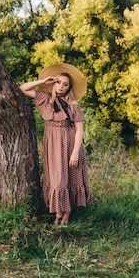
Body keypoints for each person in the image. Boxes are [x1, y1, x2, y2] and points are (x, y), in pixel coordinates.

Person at [19, 63, 92, 226]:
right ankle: (58, 212)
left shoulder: (73, 105)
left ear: (69, 88)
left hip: (69, 143)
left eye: (65, 84)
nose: (61, 86)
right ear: (54, 83)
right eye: (58, 82)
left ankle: (65, 215)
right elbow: (22, 88)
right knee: (56, 179)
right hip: (52, 144)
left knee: (69, 179)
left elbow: (79, 130)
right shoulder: (45, 99)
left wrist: (75, 153)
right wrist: (43, 80)